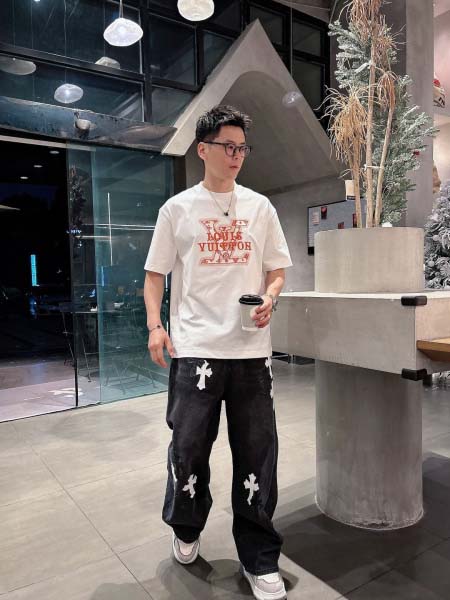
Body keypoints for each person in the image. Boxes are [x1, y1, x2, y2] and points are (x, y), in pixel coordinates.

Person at [144, 105, 292, 600]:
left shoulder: (261, 208)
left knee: (257, 455)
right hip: (196, 351)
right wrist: (155, 326)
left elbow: (276, 270)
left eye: (242, 147)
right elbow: (155, 275)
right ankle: (186, 528)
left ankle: (260, 557)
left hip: (251, 353)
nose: (236, 155)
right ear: (202, 149)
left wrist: (270, 297)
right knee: (188, 449)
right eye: (228, 146)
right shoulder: (177, 209)